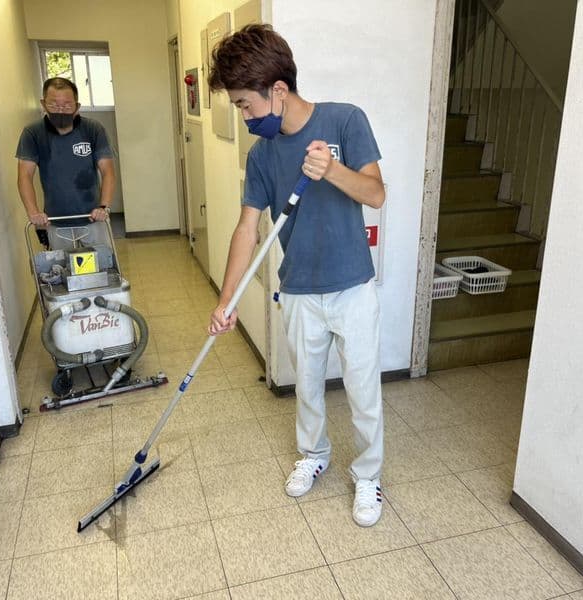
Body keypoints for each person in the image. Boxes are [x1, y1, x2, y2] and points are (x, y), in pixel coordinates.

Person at [207, 24, 387, 527]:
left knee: (363, 391)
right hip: (300, 289)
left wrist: (331, 170)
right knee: (306, 387)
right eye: (238, 107)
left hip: (352, 286)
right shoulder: (262, 155)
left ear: (279, 90)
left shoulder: (346, 120)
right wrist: (226, 299)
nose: (245, 117)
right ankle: (314, 454)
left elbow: (376, 194)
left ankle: (368, 474)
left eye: (246, 105)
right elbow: (247, 228)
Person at [16, 77, 115, 248]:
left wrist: (103, 206)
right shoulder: (33, 133)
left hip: (93, 219)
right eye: (54, 105)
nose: (61, 111)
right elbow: (24, 176)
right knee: (62, 264)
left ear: (77, 107)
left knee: (102, 262)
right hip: (55, 221)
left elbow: (108, 172)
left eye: (67, 106)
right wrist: (34, 213)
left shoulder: (93, 129)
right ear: (43, 104)